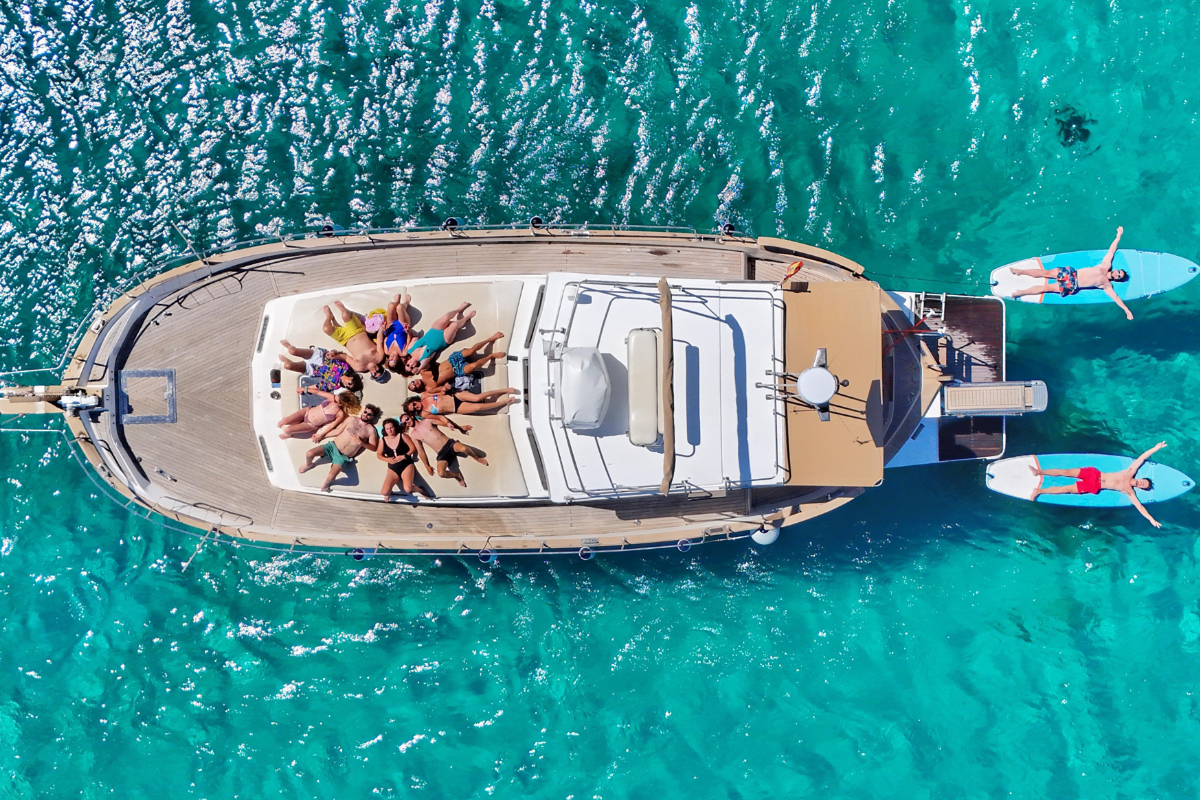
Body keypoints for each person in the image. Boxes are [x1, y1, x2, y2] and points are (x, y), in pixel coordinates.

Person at [1029, 441, 1168, 528]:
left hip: (1093, 487)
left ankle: (1039, 491)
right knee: (1065, 472)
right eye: (1145, 481)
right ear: (1143, 478)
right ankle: (1038, 472)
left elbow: (1139, 506)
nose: (1143, 483)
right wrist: (1156, 448)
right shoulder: (1130, 471)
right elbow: (1142, 457)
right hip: (1094, 474)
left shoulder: (1129, 491)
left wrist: (1151, 519)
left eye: (1144, 485)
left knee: (1064, 489)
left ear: (1140, 487)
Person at [1010, 227, 1136, 319]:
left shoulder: (1107, 285)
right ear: (1116, 270)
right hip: (1072, 273)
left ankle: (1020, 292)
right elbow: (1111, 251)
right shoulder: (1105, 265)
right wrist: (1118, 236)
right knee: (1046, 273)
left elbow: (1116, 298)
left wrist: (1127, 311)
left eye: (1119, 276)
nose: (1117, 274)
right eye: (1119, 272)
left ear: (1117, 279)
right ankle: (1020, 272)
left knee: (1046, 287)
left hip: (1072, 285)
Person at [298, 403, 382, 492]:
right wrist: (322, 436)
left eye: (369, 414)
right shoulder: (351, 419)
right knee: (309, 453)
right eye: (365, 412)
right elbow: (338, 431)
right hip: (332, 447)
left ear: (372, 417)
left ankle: (327, 484)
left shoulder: (371, 430)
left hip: (343, 457)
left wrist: (361, 442)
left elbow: (373, 448)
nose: (366, 415)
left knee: (331, 477)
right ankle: (308, 464)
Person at [405, 412, 488, 488]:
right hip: (441, 453)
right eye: (404, 422)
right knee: (441, 473)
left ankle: (477, 458)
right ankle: (457, 475)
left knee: (464, 448)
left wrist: (460, 427)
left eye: (407, 419)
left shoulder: (427, 421)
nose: (407, 422)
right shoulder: (414, 435)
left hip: (449, 444)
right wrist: (427, 465)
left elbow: (444, 424)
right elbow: (420, 451)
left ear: (411, 416)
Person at [407, 332, 506, 393]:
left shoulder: (422, 372)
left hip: (452, 360)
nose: (415, 383)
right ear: (418, 389)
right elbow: (442, 390)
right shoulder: (430, 388)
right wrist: (445, 388)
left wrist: (419, 368)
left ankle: (491, 339)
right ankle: (491, 356)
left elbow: (428, 362)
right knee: (475, 365)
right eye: (415, 386)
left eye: (413, 382)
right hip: (457, 371)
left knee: (471, 351)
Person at [322, 301, 388, 381]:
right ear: (381, 368)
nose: (375, 370)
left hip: (344, 339)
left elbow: (346, 357)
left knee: (326, 329)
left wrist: (334, 356)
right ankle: (343, 308)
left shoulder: (359, 367)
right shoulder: (379, 357)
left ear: (371, 374)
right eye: (379, 371)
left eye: (374, 374)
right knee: (345, 314)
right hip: (357, 331)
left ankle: (329, 316)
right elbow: (380, 340)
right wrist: (382, 328)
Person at [405, 302, 477, 373]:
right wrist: (419, 369)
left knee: (446, 316)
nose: (411, 364)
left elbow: (415, 336)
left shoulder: (410, 350)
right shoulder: (422, 360)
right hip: (443, 339)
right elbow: (425, 363)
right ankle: (467, 318)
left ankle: (459, 309)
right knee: (454, 325)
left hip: (433, 331)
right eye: (412, 367)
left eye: (408, 365)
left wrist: (409, 330)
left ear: (407, 361)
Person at [278, 340, 364, 396]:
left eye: (347, 387)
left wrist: (305, 389)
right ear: (352, 378)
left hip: (312, 369)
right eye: (349, 383)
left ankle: (288, 361)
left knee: (288, 366)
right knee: (292, 351)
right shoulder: (346, 367)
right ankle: (288, 345)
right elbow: (341, 355)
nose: (346, 384)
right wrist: (332, 353)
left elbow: (320, 386)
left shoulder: (335, 385)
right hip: (318, 357)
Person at [376, 417, 430, 500]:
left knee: (408, 489)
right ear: (384, 430)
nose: (390, 430)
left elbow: (413, 448)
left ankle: (419, 489)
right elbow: (379, 455)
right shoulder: (383, 440)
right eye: (387, 429)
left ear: (395, 427)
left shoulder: (402, 436)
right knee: (384, 492)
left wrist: (404, 456)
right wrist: (388, 459)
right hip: (393, 468)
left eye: (391, 428)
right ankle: (389, 492)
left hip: (406, 465)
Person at [277, 388, 359, 439]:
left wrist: (321, 435)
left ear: (341, 404)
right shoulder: (332, 397)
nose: (333, 400)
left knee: (288, 430)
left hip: (310, 424)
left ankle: (288, 436)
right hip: (307, 411)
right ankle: (292, 424)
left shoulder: (340, 414)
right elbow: (318, 392)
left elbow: (331, 426)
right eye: (335, 397)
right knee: (283, 421)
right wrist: (305, 389)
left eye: (336, 401)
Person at [404, 388, 516, 417]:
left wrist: (444, 389)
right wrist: (450, 425)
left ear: (414, 401)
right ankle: (505, 401)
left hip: (454, 396)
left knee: (477, 398)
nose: (416, 407)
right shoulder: (424, 413)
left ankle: (504, 390)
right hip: (456, 408)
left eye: (413, 404)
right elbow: (439, 419)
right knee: (478, 408)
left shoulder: (424, 396)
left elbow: (439, 391)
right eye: (414, 409)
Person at [379, 294, 414, 374]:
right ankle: (406, 303)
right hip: (403, 326)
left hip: (391, 325)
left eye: (390, 360)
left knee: (391, 305)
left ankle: (396, 302)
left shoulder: (386, 351)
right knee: (400, 307)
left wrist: (384, 330)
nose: (392, 358)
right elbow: (409, 338)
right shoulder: (403, 352)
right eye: (394, 361)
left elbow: (386, 338)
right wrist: (408, 331)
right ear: (398, 361)